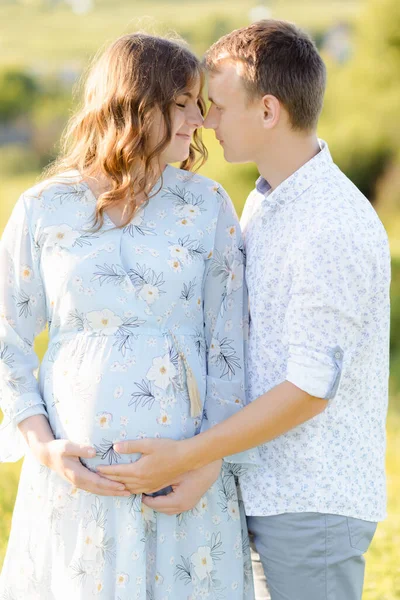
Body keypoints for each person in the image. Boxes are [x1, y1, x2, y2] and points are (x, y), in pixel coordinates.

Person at [99, 21, 392, 600]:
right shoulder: (266, 203)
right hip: (263, 490)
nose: (205, 121)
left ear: (268, 112)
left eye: (219, 105)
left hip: (312, 505)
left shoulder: (331, 224)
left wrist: (188, 454)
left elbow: (310, 387)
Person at [0, 33, 260, 599]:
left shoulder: (207, 204)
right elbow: (6, 339)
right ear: (136, 105)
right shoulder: (44, 208)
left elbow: (229, 344)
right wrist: (43, 447)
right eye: (183, 102)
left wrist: (208, 465)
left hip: (184, 484)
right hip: (74, 486)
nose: (200, 118)